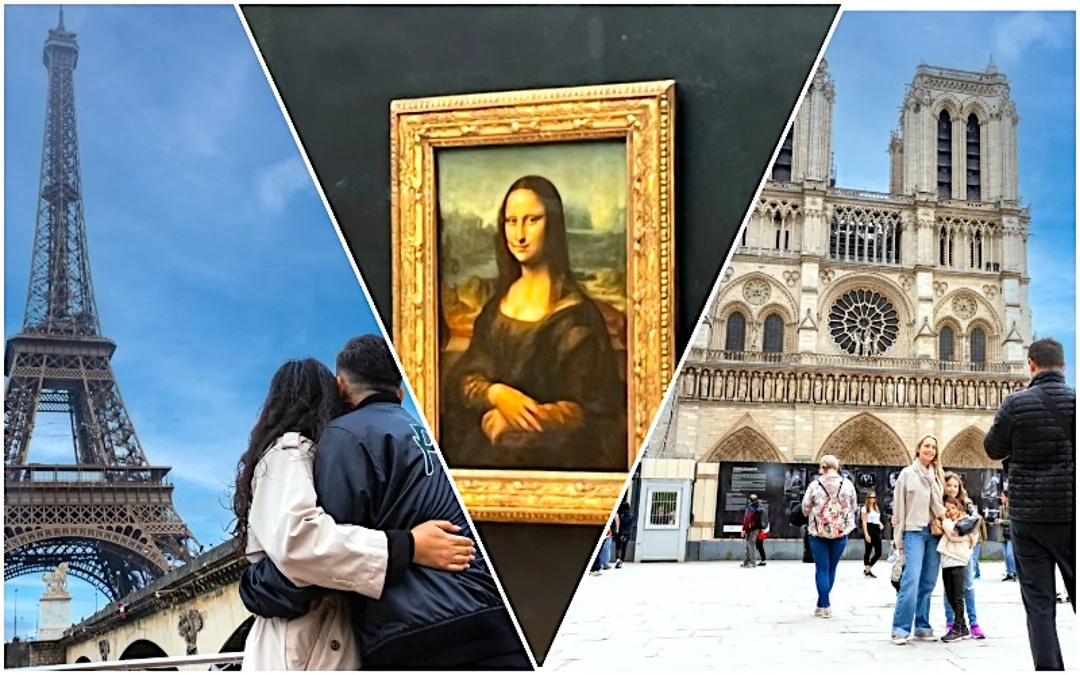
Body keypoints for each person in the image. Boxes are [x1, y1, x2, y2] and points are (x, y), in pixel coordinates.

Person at [239, 336, 529, 670]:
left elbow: (311, 553)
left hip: (416, 630)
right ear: (400, 391)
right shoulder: (435, 437)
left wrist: (258, 587)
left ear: (343, 386)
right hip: (492, 618)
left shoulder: (345, 438)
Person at [442, 175, 627, 472]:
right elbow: (463, 380)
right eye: (511, 221)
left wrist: (527, 419)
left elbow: (597, 413)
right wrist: (497, 394)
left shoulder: (577, 318)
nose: (520, 234)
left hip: (553, 465)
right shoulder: (495, 308)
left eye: (532, 220)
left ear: (552, 226)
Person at [985, 337, 1075, 671]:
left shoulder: (1015, 404)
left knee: (1039, 607)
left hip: (1028, 519)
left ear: (1031, 364)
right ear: (1063, 366)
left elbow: (992, 449)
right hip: (1070, 515)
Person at [889, 435, 946, 645]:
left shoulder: (937, 475)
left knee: (928, 582)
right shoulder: (907, 474)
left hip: (934, 534)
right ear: (918, 449)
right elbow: (899, 508)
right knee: (911, 580)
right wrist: (899, 540)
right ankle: (900, 628)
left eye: (933, 447)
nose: (930, 450)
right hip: (914, 531)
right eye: (927, 446)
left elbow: (939, 505)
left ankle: (922, 626)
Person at [800, 455, 857, 617]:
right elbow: (853, 507)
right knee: (831, 568)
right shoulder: (847, 485)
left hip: (818, 532)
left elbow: (805, 508)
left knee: (822, 569)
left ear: (822, 468)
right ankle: (822, 603)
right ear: (837, 467)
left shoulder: (814, 485)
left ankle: (825, 604)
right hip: (840, 532)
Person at [941, 472, 986, 639]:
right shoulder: (941, 503)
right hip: (949, 551)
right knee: (950, 589)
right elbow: (947, 530)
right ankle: (951, 622)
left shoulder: (967, 504)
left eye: (955, 485)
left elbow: (974, 525)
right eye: (949, 485)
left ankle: (973, 623)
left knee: (968, 585)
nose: (952, 489)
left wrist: (971, 537)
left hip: (965, 551)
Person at [938, 497, 978, 643]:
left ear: (958, 508)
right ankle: (963, 626)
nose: (950, 512)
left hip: (959, 560)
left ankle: (957, 628)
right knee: (949, 595)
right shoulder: (947, 521)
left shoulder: (967, 519)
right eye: (947, 509)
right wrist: (966, 535)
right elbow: (952, 534)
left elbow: (972, 538)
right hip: (946, 560)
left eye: (953, 508)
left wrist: (963, 534)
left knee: (958, 595)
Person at [996, 491, 1017, 581]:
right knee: (1005, 555)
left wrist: (1002, 521)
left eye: (1003, 496)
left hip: (1010, 534)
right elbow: (1001, 519)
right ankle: (1009, 573)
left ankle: (1015, 572)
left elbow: (1013, 521)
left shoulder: (1012, 508)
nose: (1001, 498)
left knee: (1010, 555)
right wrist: (997, 520)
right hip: (1002, 534)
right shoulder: (1001, 508)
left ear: (1008, 497)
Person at [861, 491, 883, 578]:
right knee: (868, 550)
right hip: (869, 528)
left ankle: (868, 567)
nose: (872, 499)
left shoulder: (876, 508)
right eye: (871, 497)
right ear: (867, 498)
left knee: (878, 552)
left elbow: (876, 519)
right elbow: (864, 522)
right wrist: (866, 534)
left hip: (876, 529)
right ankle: (867, 569)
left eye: (874, 497)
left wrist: (880, 523)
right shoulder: (865, 508)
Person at [741, 494, 766, 569]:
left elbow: (747, 520)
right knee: (749, 545)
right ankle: (746, 562)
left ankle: (752, 562)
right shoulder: (759, 506)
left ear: (750, 500)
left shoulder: (751, 507)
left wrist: (744, 530)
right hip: (756, 529)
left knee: (751, 546)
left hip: (750, 529)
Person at [613, 501, 635, 568]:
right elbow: (630, 526)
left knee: (618, 546)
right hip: (627, 534)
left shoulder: (619, 514)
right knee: (624, 547)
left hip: (619, 533)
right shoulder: (631, 516)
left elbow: (618, 524)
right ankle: (621, 561)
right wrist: (625, 534)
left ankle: (617, 559)